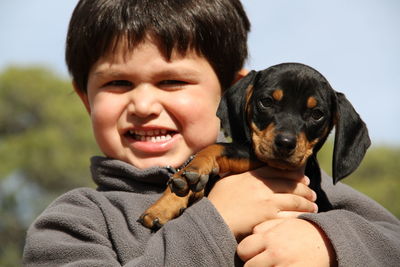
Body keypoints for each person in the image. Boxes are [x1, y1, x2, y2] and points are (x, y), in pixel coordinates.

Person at [23, 0, 400, 266]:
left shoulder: (326, 197)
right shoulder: (77, 221)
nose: (143, 105)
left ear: (232, 95)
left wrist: (329, 243)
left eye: (172, 81)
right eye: (118, 83)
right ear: (85, 100)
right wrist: (215, 221)